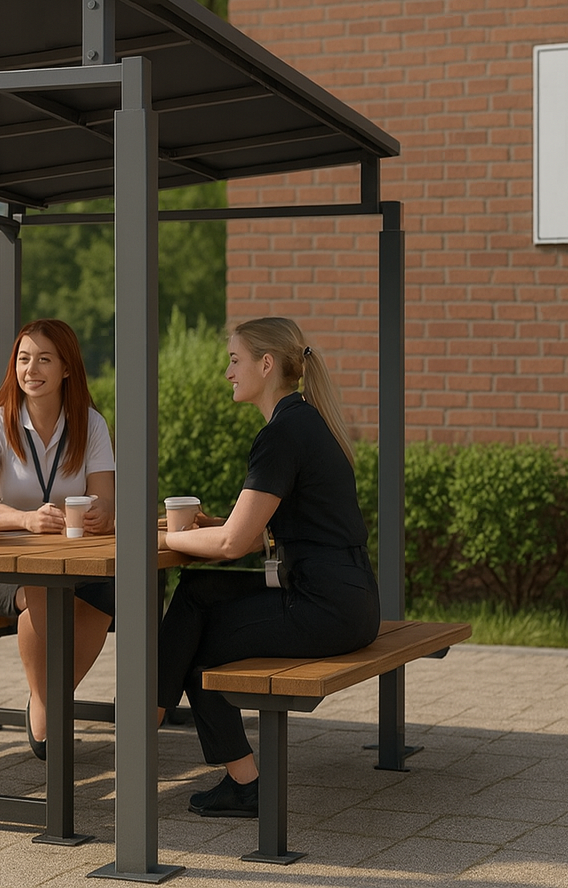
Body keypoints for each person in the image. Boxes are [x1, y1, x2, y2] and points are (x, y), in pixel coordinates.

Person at [156, 317, 380, 817]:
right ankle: (152, 711)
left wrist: (168, 537)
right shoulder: (304, 421)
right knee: (195, 591)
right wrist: (210, 526)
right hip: (349, 599)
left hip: (324, 608)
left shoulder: (282, 434)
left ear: (266, 364)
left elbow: (233, 544)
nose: (228, 372)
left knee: (198, 648)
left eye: (235, 360)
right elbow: (251, 531)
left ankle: (243, 784)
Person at [0, 319, 115, 760]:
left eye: (44, 359)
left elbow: (106, 499)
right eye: (24, 358)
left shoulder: (90, 424)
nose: (31, 369)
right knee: (43, 588)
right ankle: (49, 707)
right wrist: (27, 520)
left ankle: (49, 699)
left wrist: (101, 514)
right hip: (2, 571)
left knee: (107, 593)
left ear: (67, 368)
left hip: (75, 565)